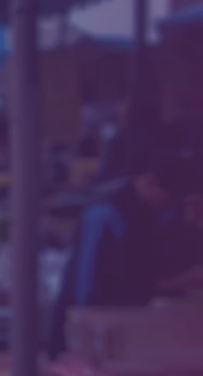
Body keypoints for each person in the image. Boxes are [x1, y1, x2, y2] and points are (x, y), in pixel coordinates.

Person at [49, 151, 203, 356]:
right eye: (169, 197)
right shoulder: (103, 215)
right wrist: (83, 335)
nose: (168, 204)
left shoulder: (154, 213)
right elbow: (86, 289)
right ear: (150, 182)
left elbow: (149, 269)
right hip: (89, 333)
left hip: (129, 328)